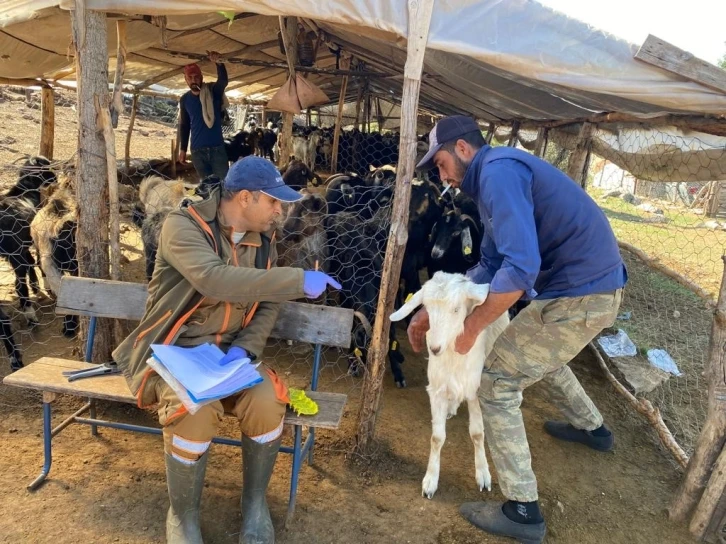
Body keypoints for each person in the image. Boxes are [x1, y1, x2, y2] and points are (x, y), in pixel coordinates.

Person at [411, 116, 627, 544]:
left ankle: (522, 510)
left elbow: (521, 267)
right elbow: (490, 263)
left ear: (463, 150)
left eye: (440, 164)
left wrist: (471, 326)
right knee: (532, 351)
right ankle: (593, 429)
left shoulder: (497, 175)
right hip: (581, 287)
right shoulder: (494, 179)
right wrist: (430, 308)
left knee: (496, 381)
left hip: (580, 294)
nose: (442, 177)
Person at [113, 156, 341, 544]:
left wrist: (246, 349)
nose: (279, 211)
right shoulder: (181, 227)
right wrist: (299, 279)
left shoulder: (264, 242)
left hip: (230, 360)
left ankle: (254, 504)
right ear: (247, 199)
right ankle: (183, 516)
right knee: (194, 412)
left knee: (268, 401)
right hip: (177, 354)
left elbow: (268, 302)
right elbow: (214, 280)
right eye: (273, 202)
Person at [178, 51, 230, 180]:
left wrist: (219, 63)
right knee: (206, 188)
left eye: (196, 77)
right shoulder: (184, 99)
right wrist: (183, 149)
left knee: (224, 185)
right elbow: (184, 125)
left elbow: (223, 81)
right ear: (186, 80)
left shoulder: (213, 91)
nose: (193, 80)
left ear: (201, 78)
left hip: (217, 150)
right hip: (197, 152)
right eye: (190, 78)